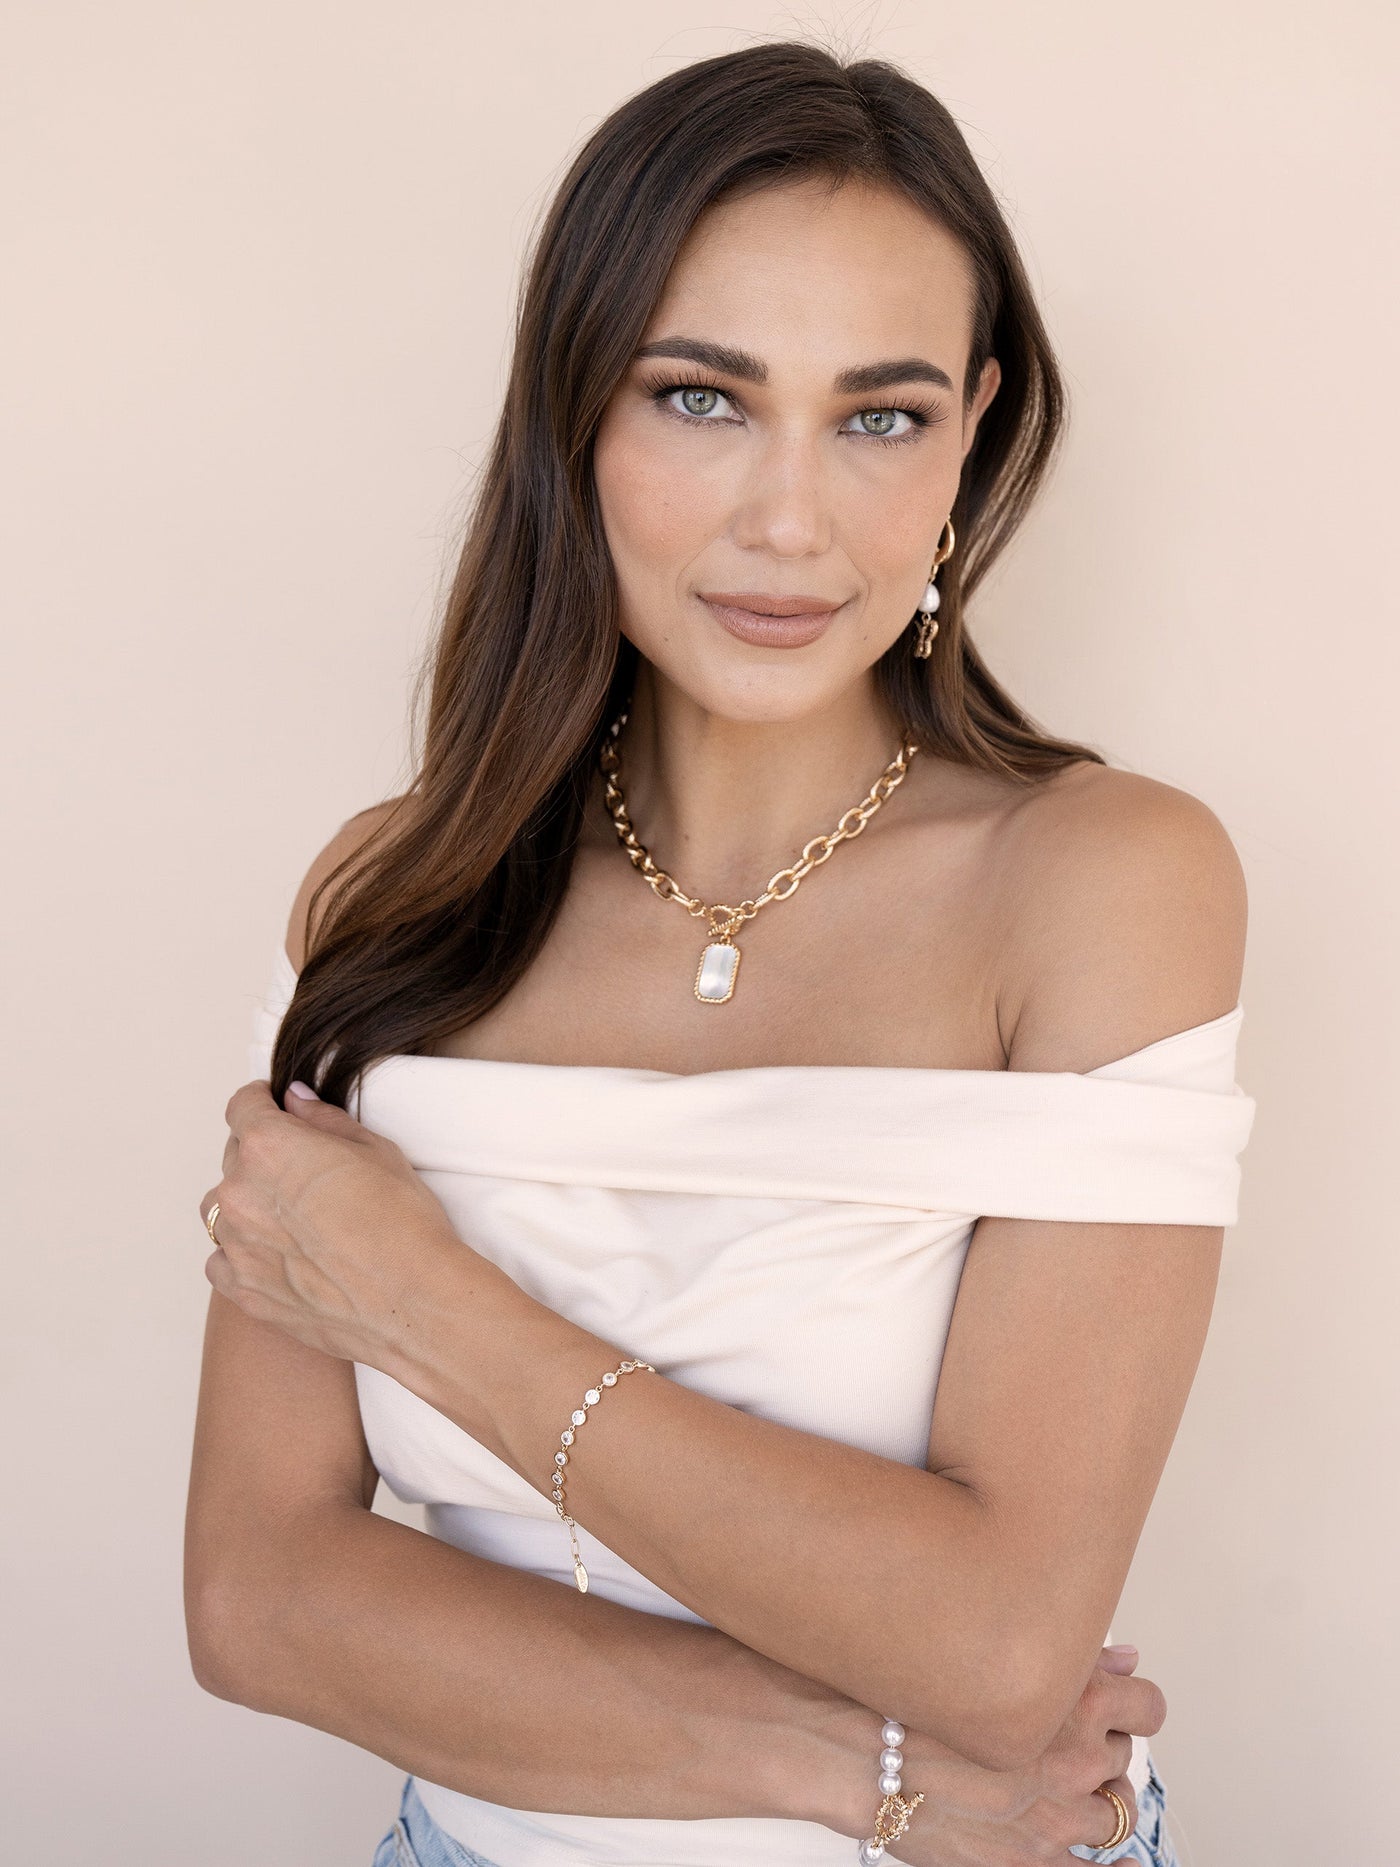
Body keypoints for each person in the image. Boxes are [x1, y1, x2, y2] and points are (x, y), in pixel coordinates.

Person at [184, 40, 1254, 1867]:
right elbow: (262, 1603)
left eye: (881, 415)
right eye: (702, 399)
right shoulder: (399, 896)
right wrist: (862, 1765)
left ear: (974, 431)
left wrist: (421, 1301)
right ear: (575, 411)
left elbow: (997, 1649)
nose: (789, 519)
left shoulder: (1101, 881)